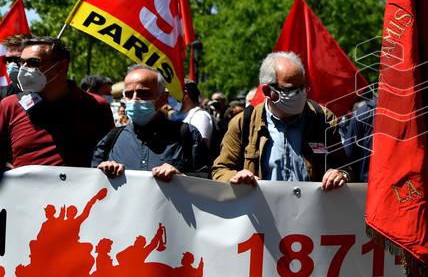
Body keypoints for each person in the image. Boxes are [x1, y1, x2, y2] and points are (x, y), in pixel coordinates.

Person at [212, 51, 350, 190]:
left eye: (303, 87)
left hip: (311, 210)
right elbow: (220, 170)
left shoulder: (323, 119)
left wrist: (341, 175)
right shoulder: (244, 123)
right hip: (263, 210)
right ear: (267, 91)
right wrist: (235, 177)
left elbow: (346, 167)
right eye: (291, 90)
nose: (300, 95)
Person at [0, 36, 113, 169]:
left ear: (61, 66)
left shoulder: (96, 105)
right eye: (21, 62)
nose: (23, 69)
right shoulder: (9, 105)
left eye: (33, 63)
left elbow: (109, 155)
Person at [92, 65, 210, 181]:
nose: (135, 99)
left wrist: (181, 178)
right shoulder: (112, 139)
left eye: (143, 93)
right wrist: (102, 172)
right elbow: (92, 183)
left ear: (163, 98)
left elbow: (208, 180)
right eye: (128, 94)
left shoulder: (187, 135)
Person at [175, 80, 214, 148]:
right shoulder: (178, 115)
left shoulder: (200, 116)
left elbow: (200, 149)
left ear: (185, 94)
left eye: (173, 94)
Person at [0, 34, 29, 99]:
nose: (12, 64)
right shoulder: (3, 95)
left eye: (17, 59)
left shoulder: (48, 89)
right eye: (9, 59)